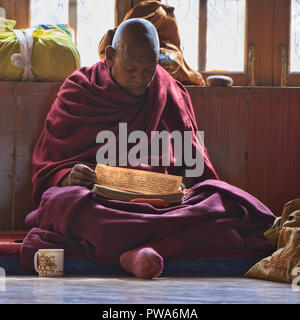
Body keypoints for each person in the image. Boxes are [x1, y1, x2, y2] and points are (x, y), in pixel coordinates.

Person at [20, 19, 275, 279]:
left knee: (222, 200)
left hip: (162, 206)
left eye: (148, 70)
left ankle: (140, 250)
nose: (140, 79)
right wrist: (68, 177)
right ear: (110, 56)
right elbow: (48, 166)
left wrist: (180, 187)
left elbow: (195, 165)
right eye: (131, 69)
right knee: (61, 202)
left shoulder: (169, 91)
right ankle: (159, 245)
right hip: (105, 204)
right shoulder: (79, 90)